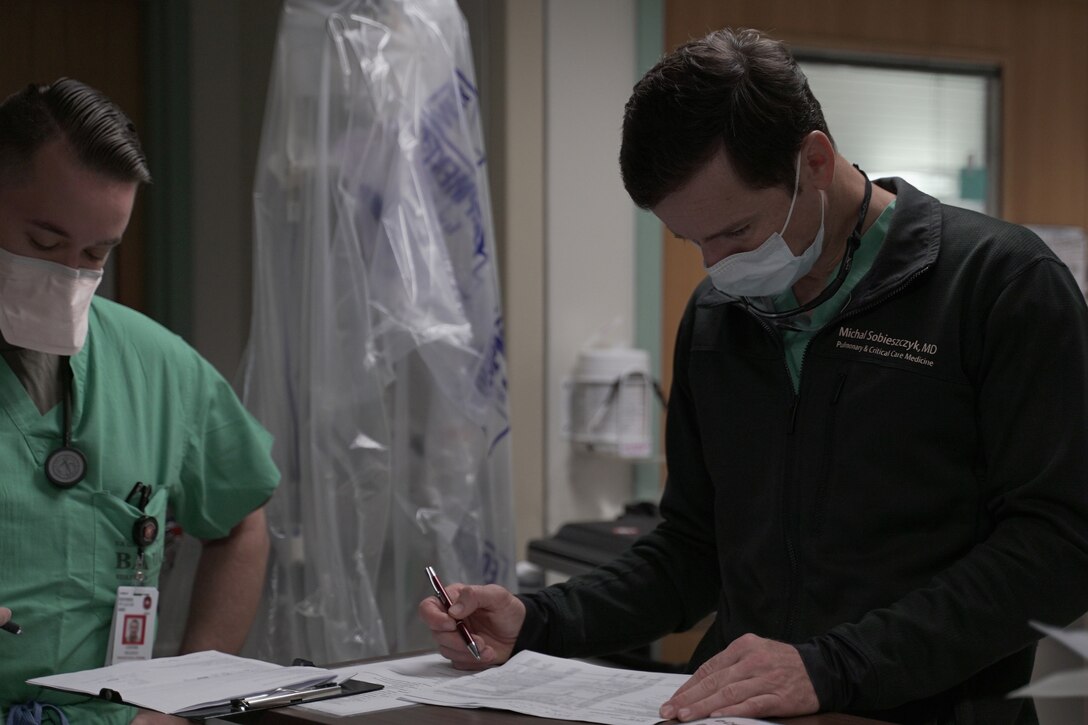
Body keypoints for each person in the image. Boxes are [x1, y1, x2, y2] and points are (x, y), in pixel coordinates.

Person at [420, 27, 1088, 724]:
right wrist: (536, 619)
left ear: (817, 162)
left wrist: (833, 667)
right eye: (691, 241)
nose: (715, 266)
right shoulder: (719, 318)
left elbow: (1059, 547)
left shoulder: (998, 287)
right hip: (742, 712)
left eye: (736, 233)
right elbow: (693, 549)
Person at [0, 79, 281, 724]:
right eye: (45, 244)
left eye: (96, 253)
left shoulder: (153, 364)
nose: (70, 272)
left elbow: (241, 520)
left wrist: (188, 695)